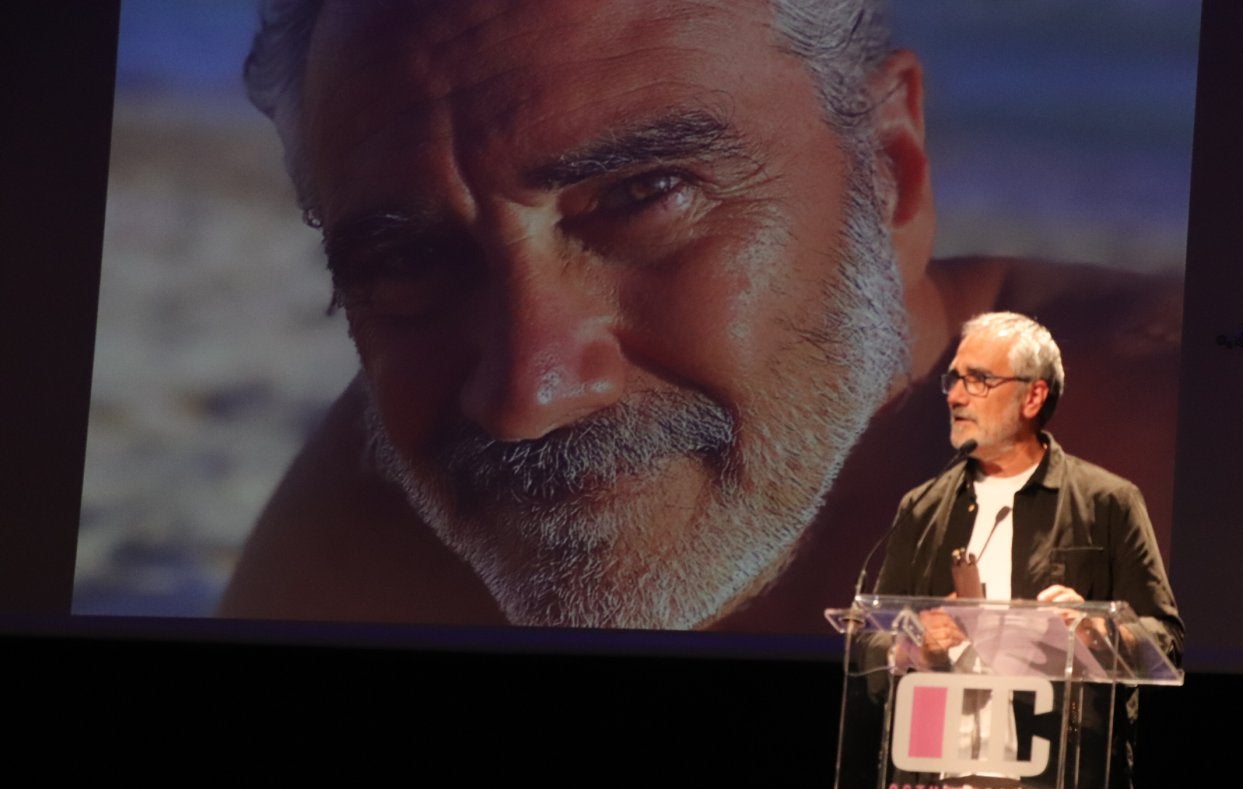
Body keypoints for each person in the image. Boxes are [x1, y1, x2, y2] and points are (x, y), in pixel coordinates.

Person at [218, 0, 1182, 632]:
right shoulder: (384, 516)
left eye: (641, 196)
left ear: (890, 171)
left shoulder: (1192, 472)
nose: (529, 394)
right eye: (405, 257)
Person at [872, 311, 1184, 789]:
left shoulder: (1105, 503)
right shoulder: (924, 508)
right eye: (953, 380)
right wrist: (909, 645)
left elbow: (1166, 644)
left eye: (979, 380)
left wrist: (1100, 632)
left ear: (1033, 395)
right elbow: (874, 637)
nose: (957, 395)